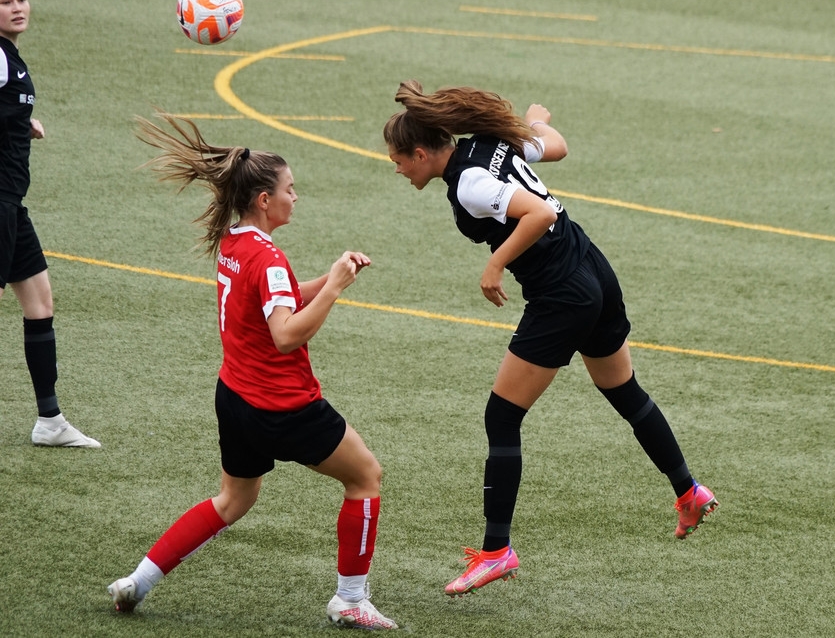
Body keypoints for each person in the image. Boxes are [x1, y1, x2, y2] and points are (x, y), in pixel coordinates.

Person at [383, 80, 718, 597]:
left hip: (563, 293)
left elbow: (541, 214)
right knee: (624, 391)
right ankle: (689, 491)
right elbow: (557, 147)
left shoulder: (469, 182)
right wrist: (535, 123)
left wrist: (495, 263)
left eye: (399, 161)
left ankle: (496, 552)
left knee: (501, 417)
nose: (398, 169)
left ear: (422, 153)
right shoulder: (491, 143)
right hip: (594, 268)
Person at [107, 112, 397, 630]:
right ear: (264, 199)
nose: (296, 197)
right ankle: (350, 599)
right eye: (290, 189)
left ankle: (138, 582)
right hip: (284, 406)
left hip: (235, 398)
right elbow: (285, 335)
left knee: (232, 500)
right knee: (365, 478)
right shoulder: (269, 258)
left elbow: (275, 300)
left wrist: (331, 275)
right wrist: (333, 289)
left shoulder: (234, 242)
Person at [0, 0, 100, 448]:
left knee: (40, 302)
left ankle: (50, 421)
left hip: (11, 205)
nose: (18, 7)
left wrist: (23, 121)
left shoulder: (9, 57)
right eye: (6, 2)